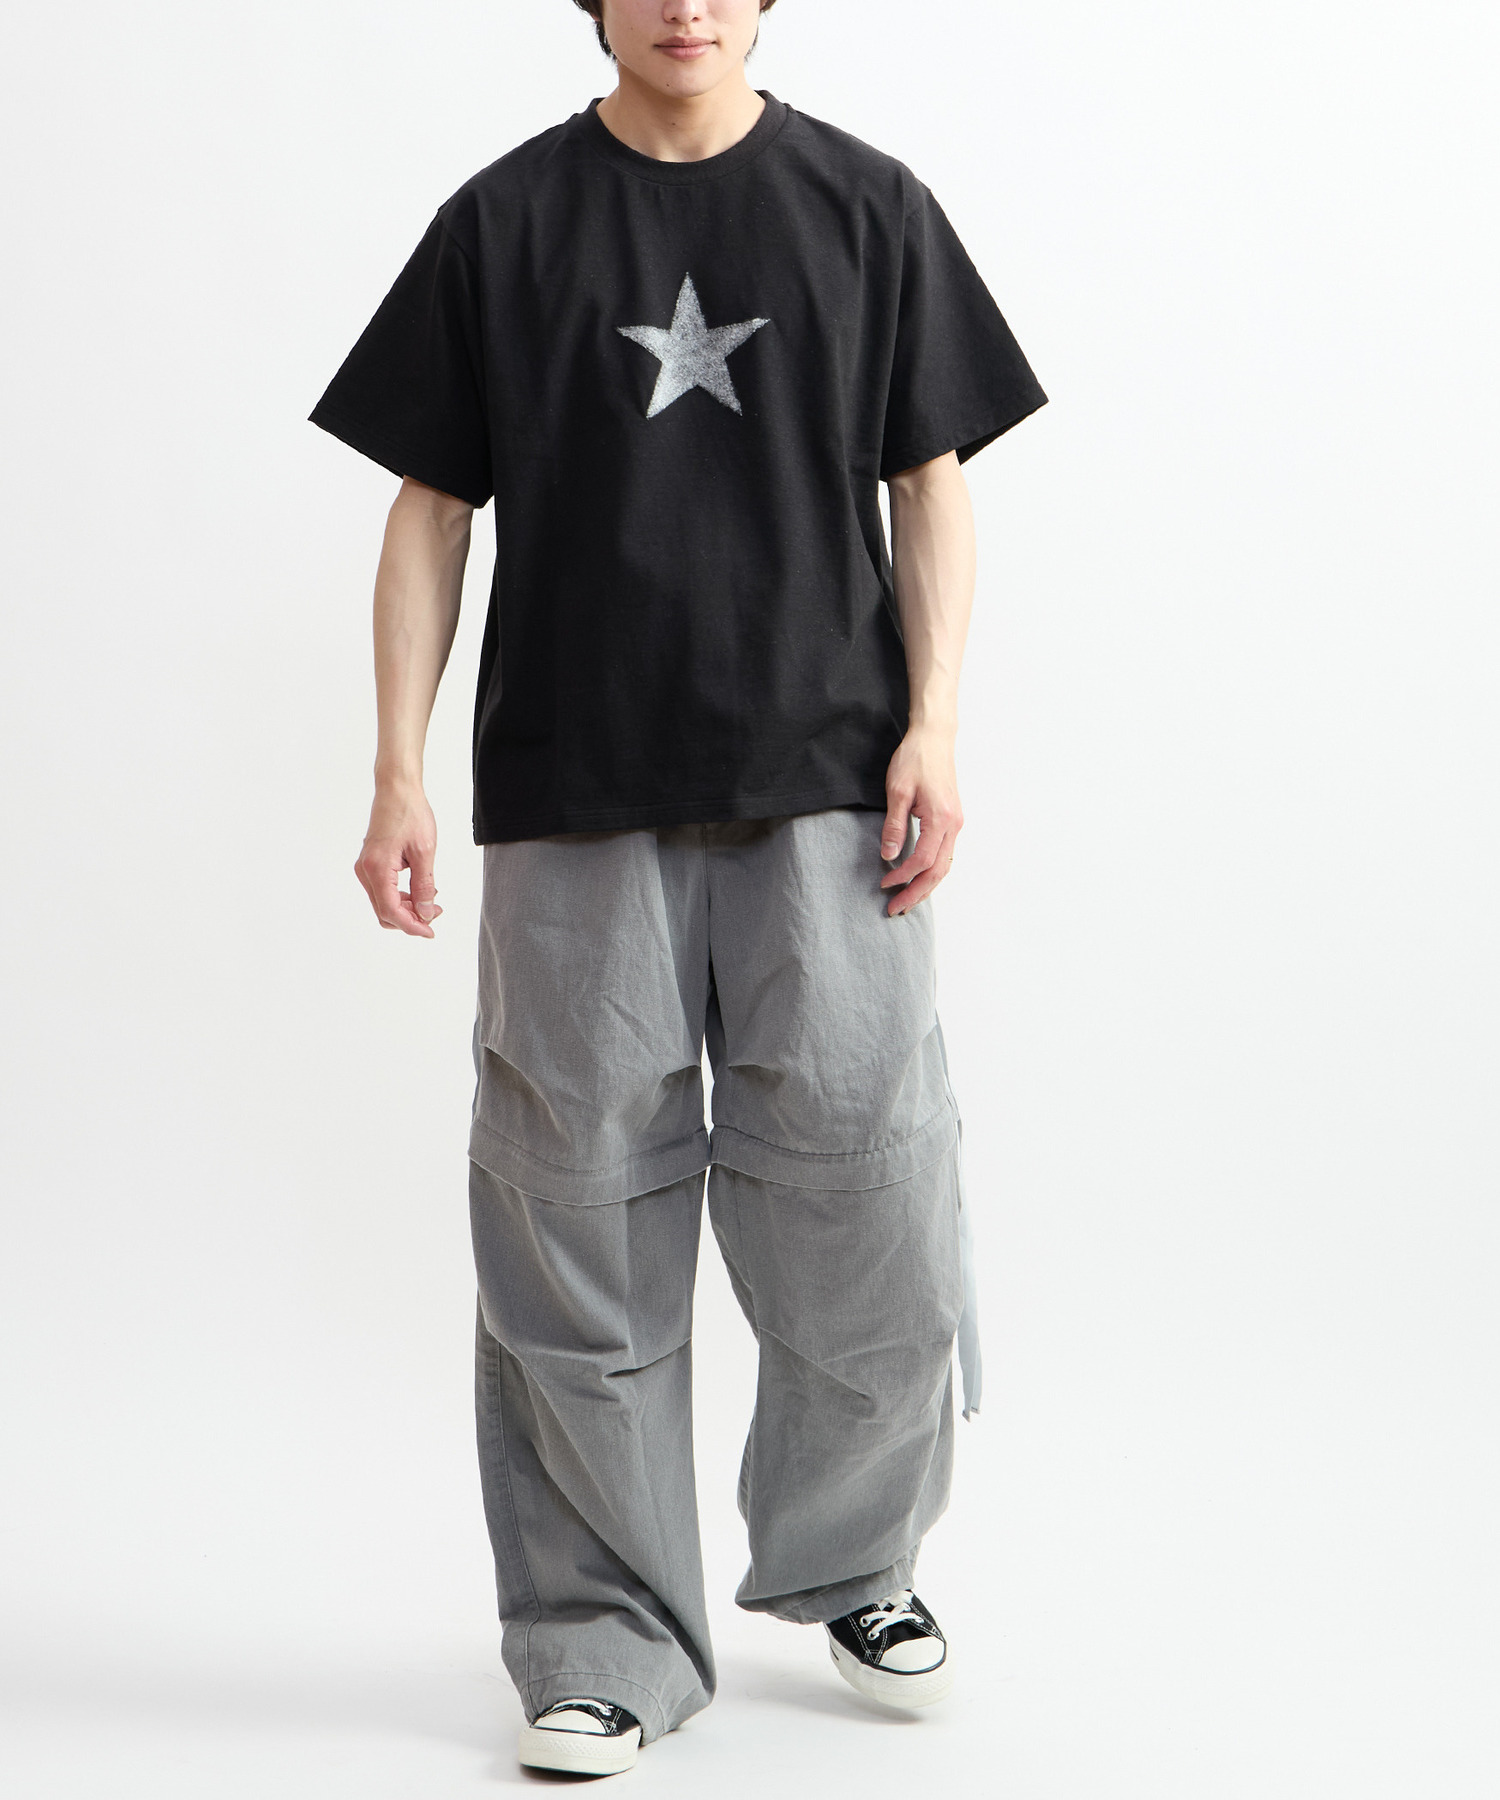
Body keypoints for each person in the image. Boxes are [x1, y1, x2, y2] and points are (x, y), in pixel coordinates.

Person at [309, 0, 1045, 1776]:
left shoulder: (869, 207)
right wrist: (400, 765)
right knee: (571, 1222)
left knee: (871, 1194)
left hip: (831, 791)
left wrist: (938, 722)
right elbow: (428, 509)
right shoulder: (504, 222)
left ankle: (857, 1559)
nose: (687, 4)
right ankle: (599, 1640)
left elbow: (931, 481)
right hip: (574, 796)